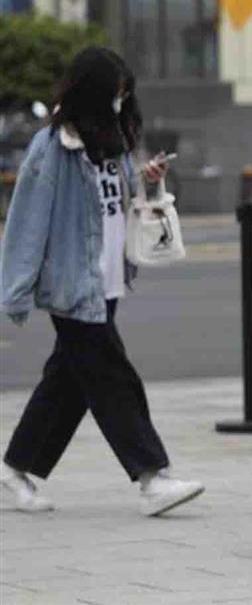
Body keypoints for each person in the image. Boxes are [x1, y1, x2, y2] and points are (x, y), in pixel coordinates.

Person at [0, 47, 205, 516]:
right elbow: (27, 221)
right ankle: (153, 478)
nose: (119, 103)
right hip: (74, 284)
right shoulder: (51, 147)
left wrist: (148, 181)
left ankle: (16, 468)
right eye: (113, 94)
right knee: (114, 378)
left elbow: (118, 203)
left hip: (109, 280)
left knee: (69, 382)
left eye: (124, 95)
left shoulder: (108, 141)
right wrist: (15, 289)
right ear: (91, 93)